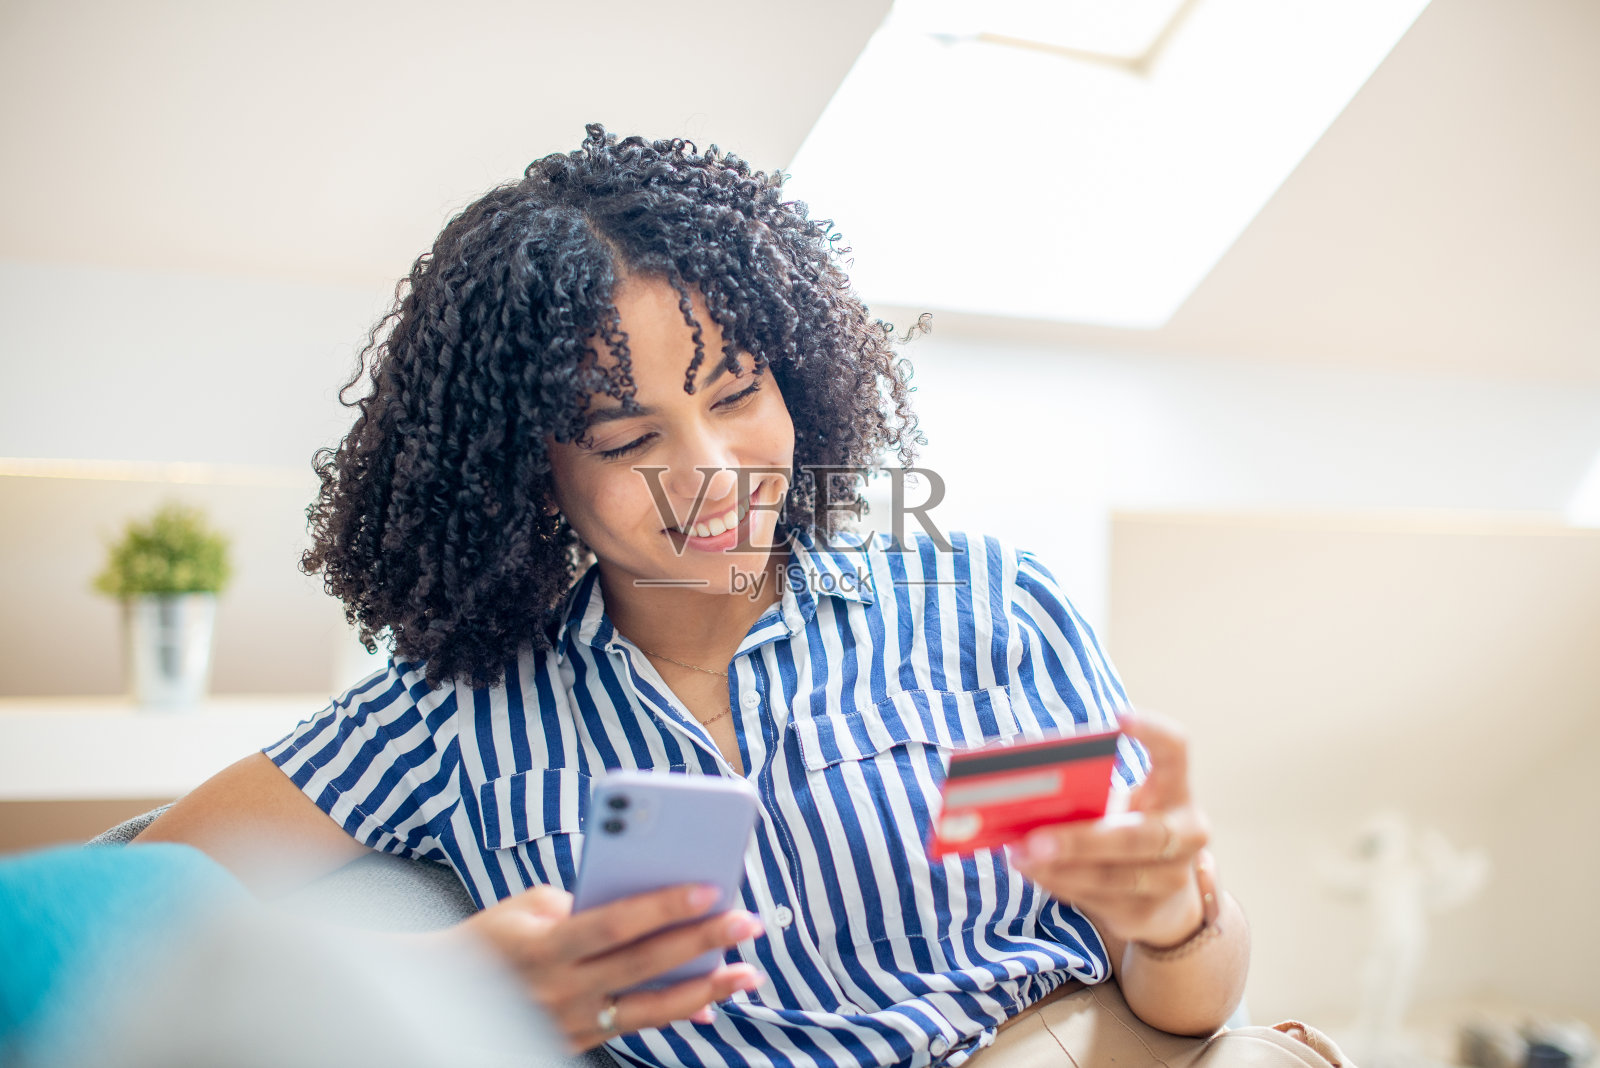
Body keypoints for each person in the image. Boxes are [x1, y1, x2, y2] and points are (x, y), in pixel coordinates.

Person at [137, 124, 1251, 1067]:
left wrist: (1174, 923)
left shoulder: (987, 610)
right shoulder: (451, 713)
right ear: (527, 469)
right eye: (628, 439)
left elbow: (1189, 1004)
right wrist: (448, 978)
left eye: (738, 392)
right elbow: (97, 922)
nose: (713, 471)